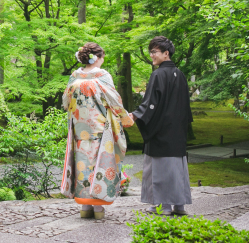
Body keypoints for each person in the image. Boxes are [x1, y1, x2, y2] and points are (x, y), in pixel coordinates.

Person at [60, 42, 134, 220]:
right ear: (97, 58)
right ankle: (99, 210)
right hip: (99, 129)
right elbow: (114, 100)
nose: (102, 61)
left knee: (82, 165)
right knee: (99, 164)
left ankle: (85, 208)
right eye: (102, 58)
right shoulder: (102, 75)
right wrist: (125, 118)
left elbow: (65, 102)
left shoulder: (74, 77)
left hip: (79, 128)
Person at [130, 36, 193, 216]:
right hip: (177, 129)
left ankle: (163, 205)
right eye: (151, 52)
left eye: (154, 52)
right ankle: (179, 205)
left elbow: (151, 103)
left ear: (166, 54)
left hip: (160, 129)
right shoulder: (180, 74)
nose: (151, 55)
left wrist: (136, 115)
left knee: (159, 167)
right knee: (178, 167)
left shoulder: (158, 74)